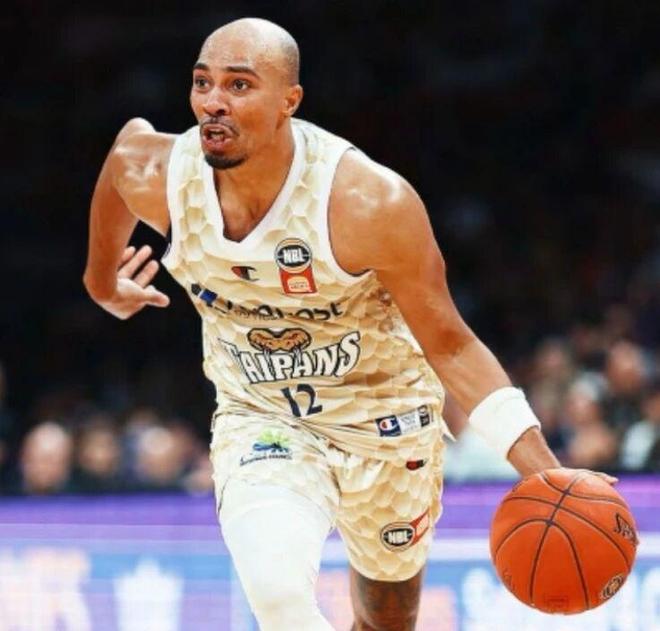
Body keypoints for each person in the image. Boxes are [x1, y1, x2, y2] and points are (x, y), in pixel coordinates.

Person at [83, 17, 605, 631]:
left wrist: (546, 471)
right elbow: (122, 160)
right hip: (264, 414)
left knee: (385, 620)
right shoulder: (159, 174)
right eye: (203, 83)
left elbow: (451, 344)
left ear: (289, 101)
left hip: (387, 420)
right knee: (277, 594)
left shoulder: (367, 202)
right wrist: (101, 283)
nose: (213, 102)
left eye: (239, 85)